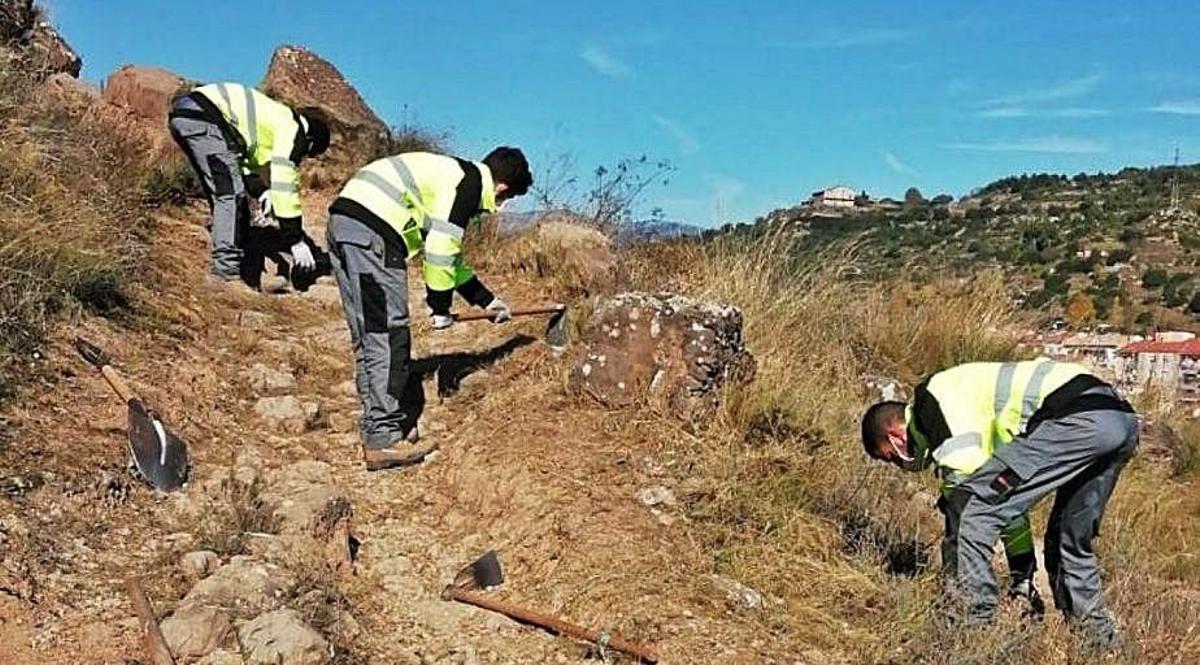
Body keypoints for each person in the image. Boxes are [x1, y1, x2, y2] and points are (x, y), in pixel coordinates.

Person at [860, 359, 1138, 648]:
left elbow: (970, 502)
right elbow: (1004, 502)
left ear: (895, 435)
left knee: (968, 509)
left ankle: (971, 631)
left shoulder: (931, 405)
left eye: (890, 457)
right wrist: (1022, 574)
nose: (899, 465)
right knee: (1067, 539)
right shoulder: (966, 400)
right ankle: (1100, 646)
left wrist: (958, 506)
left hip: (1075, 418)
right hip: (1119, 419)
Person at [326, 147, 532, 470]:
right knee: (388, 335)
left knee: (369, 335)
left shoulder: (451, 176)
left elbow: (451, 261)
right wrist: (439, 307)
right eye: (506, 199)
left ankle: (377, 427)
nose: (500, 207)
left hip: (346, 223)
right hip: (375, 233)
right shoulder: (468, 187)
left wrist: (488, 301)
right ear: (501, 188)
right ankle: (383, 439)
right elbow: (440, 251)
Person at [167, 82, 330, 289]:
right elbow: (284, 182)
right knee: (229, 195)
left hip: (187, 114)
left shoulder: (273, 120)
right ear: (310, 141)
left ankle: (239, 264)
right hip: (205, 117)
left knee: (223, 191)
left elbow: (242, 168)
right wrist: (295, 239)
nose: (303, 157)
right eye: (308, 153)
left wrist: (262, 191)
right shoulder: (293, 128)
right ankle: (224, 274)